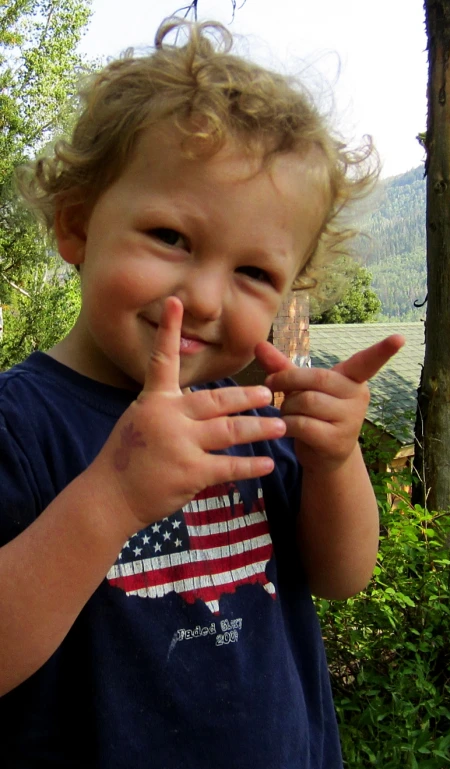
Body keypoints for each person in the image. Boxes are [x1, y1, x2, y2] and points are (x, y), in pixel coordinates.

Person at [0, 17, 404, 769]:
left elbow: (341, 576)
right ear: (77, 225)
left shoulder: (247, 412)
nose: (209, 295)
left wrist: (334, 460)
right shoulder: (20, 426)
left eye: (254, 273)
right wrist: (113, 496)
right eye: (172, 238)